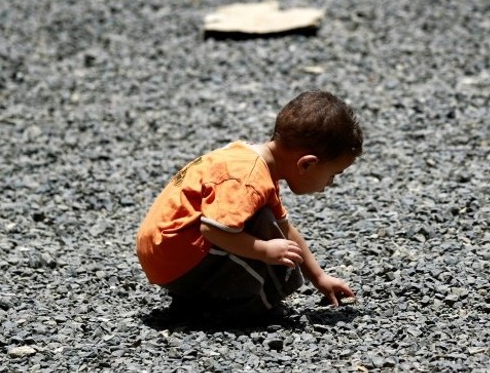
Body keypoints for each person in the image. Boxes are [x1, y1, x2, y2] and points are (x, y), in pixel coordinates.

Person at [135, 90, 363, 318]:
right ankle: (205, 309)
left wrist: (319, 277)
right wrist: (264, 250)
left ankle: (199, 296)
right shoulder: (250, 177)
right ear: (306, 165)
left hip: (167, 249)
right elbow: (212, 229)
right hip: (173, 257)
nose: (331, 183)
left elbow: (286, 230)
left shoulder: (253, 160)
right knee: (264, 239)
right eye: (333, 174)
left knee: (266, 223)